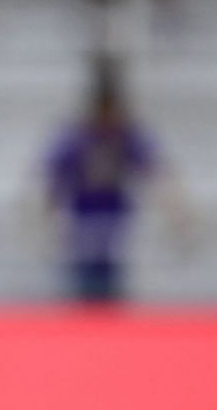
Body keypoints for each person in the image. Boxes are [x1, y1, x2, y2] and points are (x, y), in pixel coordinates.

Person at [41, 61, 179, 303]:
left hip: (115, 208)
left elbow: (154, 169)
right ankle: (85, 307)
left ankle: (109, 308)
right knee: (84, 267)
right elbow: (56, 171)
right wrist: (48, 206)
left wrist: (174, 208)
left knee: (111, 268)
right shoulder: (78, 135)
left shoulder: (127, 134)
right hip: (83, 209)